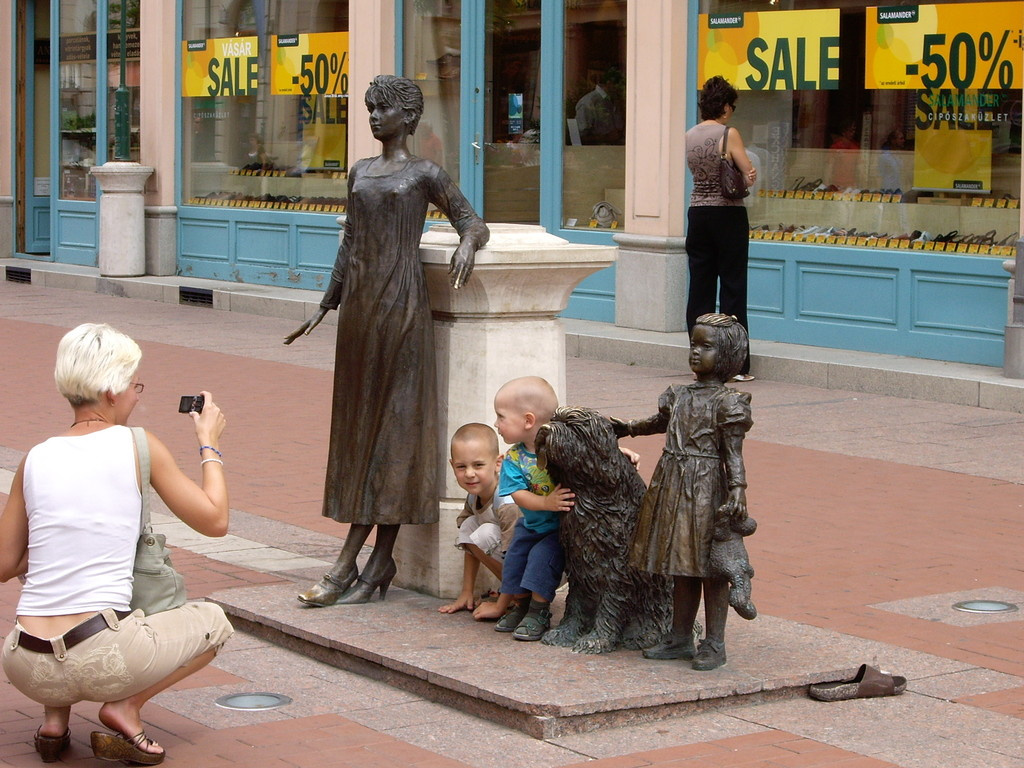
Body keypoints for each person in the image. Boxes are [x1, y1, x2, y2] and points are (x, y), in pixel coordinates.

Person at [285, 75, 489, 607]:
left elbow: (472, 221)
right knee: (360, 431)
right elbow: (350, 240)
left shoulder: (424, 173)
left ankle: (351, 562)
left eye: (383, 109)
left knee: (394, 431)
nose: (374, 116)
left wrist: (467, 244)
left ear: (408, 118)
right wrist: (326, 303)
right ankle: (378, 562)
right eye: (370, 108)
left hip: (402, 308)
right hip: (359, 314)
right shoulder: (360, 171)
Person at [0, 323, 233, 765]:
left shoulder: (34, 457)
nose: (136, 395)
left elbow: (2, 563)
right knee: (215, 622)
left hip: (24, 664)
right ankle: (124, 709)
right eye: (133, 384)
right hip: (104, 656)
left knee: (59, 599)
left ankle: (54, 723)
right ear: (110, 390)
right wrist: (209, 444)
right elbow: (215, 520)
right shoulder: (137, 443)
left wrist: (48, 550)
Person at [612, 314, 752, 671]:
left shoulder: (728, 402)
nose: (695, 352)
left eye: (706, 346)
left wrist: (737, 490)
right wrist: (626, 428)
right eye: (693, 343)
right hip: (672, 483)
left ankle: (715, 643)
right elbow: (657, 423)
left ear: (728, 355)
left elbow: (733, 454)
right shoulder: (678, 394)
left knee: (710, 567)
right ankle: (679, 636)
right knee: (681, 564)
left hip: (706, 488)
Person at [490, 377, 574, 641]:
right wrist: (546, 503)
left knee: (542, 559)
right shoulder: (513, 458)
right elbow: (518, 495)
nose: (496, 424)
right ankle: (522, 606)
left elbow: (596, 452)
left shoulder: (562, 445)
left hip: (557, 528)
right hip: (530, 524)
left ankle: (539, 611)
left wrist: (625, 452)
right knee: (515, 558)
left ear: (528, 420)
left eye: (500, 417)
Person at [685, 76, 756, 382]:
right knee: (732, 286)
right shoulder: (729, 133)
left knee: (700, 287)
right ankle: (735, 364)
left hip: (697, 213)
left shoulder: (689, 135)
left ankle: (699, 356)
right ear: (726, 106)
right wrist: (749, 174)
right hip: (727, 215)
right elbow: (746, 173)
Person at [438, 424, 520, 617]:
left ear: (498, 463)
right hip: (515, 567)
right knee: (469, 525)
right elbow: (469, 544)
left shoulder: (507, 501)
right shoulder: (473, 496)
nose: (469, 473)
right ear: (452, 465)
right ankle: (511, 594)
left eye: (478, 465)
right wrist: (467, 592)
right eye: (461, 466)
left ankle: (520, 598)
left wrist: (500, 606)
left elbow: (515, 557)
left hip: (538, 572)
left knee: (485, 533)